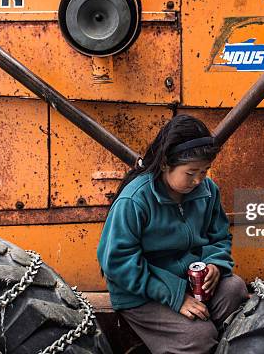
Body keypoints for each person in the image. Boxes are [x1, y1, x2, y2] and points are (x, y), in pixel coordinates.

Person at [97, 114, 249, 354]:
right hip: (143, 293)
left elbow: (219, 236)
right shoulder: (135, 200)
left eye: (205, 171)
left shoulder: (208, 191)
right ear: (166, 164)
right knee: (199, 336)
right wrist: (176, 297)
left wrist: (215, 264)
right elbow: (118, 263)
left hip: (189, 282)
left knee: (235, 289)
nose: (199, 180)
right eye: (191, 173)